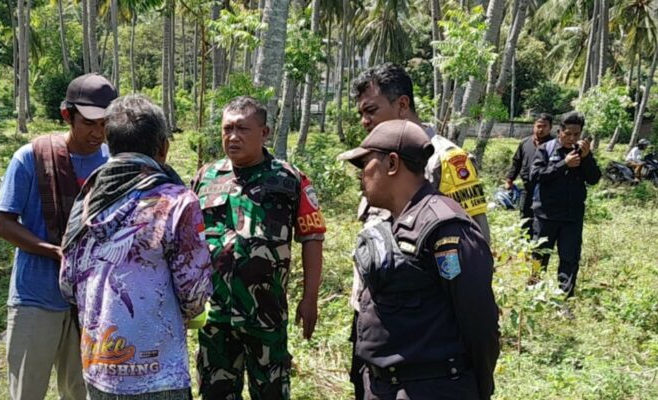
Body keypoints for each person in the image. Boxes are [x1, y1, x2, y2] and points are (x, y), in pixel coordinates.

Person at [348, 62, 491, 398]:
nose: (365, 120)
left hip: (425, 340)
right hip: (377, 316)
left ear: (402, 104)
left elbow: (473, 253)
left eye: (371, 109)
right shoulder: (376, 159)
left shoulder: (445, 160)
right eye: (360, 113)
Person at [59, 94, 213, 399]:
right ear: (164, 148)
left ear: (108, 145)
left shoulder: (87, 201)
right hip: (158, 374)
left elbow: (66, 282)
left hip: (99, 365)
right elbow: (194, 293)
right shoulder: (177, 201)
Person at [191, 96, 326, 399]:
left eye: (243, 129)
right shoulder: (205, 177)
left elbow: (312, 237)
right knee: (216, 392)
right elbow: (188, 239)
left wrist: (310, 298)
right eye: (227, 129)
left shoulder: (289, 179)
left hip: (266, 314)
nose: (233, 137)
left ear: (264, 133)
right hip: (216, 317)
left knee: (272, 392)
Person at [0, 73, 117, 400]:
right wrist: (52, 250)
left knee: (80, 391)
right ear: (67, 115)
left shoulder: (111, 163)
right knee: (27, 390)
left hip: (89, 302)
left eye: (106, 123)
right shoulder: (31, 158)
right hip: (35, 297)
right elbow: (3, 222)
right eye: (90, 123)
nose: (98, 132)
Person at [530, 111, 601, 296]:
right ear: (559, 131)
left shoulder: (582, 152)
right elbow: (536, 176)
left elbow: (594, 179)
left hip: (572, 217)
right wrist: (563, 164)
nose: (572, 138)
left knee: (570, 258)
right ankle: (532, 294)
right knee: (539, 256)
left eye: (576, 134)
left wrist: (586, 158)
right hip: (546, 215)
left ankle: (565, 298)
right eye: (567, 134)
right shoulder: (546, 149)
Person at [505, 113, 554, 238]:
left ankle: (538, 243)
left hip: (546, 188)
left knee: (542, 216)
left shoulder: (553, 145)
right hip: (527, 187)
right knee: (525, 215)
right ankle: (525, 242)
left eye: (544, 126)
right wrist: (510, 179)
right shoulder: (525, 143)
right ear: (534, 126)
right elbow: (516, 162)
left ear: (550, 128)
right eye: (538, 126)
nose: (541, 129)